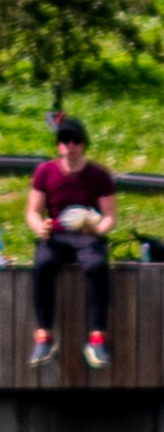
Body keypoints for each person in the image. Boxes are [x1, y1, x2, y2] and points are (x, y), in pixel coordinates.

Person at [26, 117, 115, 370]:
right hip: (55, 235)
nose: (71, 146)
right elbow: (33, 211)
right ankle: (44, 335)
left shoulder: (99, 175)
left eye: (76, 141)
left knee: (97, 266)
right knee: (43, 264)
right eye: (65, 141)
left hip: (86, 235)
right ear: (58, 146)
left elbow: (109, 216)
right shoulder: (45, 171)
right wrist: (38, 225)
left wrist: (97, 229)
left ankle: (97, 338)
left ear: (83, 145)